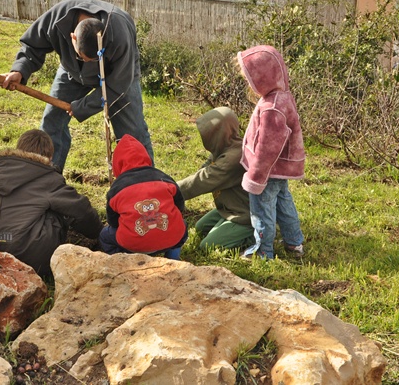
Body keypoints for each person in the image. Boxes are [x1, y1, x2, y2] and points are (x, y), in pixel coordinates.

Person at [1, 0, 153, 173]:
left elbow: (117, 86)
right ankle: (46, 182)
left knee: (133, 134)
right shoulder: (57, 19)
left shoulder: (119, 34)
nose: (89, 62)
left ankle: (148, 188)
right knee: (51, 124)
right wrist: (20, 70)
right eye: (83, 57)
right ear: (73, 37)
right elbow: (33, 46)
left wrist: (83, 107)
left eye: (95, 59)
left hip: (118, 77)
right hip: (72, 72)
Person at [0, 129, 103, 276]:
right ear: (49, 157)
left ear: (18, 151)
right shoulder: (47, 178)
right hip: (28, 257)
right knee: (61, 208)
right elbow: (81, 209)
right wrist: (99, 233)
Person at [236, 45, 305, 260]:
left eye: (250, 79)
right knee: (283, 202)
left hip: (268, 170)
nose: (249, 85)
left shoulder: (272, 107)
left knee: (261, 208)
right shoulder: (282, 96)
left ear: (263, 77)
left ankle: (263, 250)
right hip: (280, 168)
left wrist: (256, 177)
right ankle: (294, 243)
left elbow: (268, 147)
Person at [176, 107, 254, 252]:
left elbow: (203, 180)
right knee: (200, 228)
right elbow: (204, 170)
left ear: (220, 133)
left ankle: (254, 235)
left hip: (244, 216)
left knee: (207, 246)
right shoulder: (224, 148)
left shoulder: (234, 158)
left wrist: (170, 190)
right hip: (228, 208)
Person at [99, 134, 187, 259]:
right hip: (171, 239)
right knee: (182, 225)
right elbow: (180, 206)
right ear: (146, 157)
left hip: (132, 244)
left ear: (117, 165)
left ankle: (122, 264)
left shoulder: (116, 189)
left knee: (104, 236)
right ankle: (173, 260)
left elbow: (112, 222)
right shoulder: (164, 178)